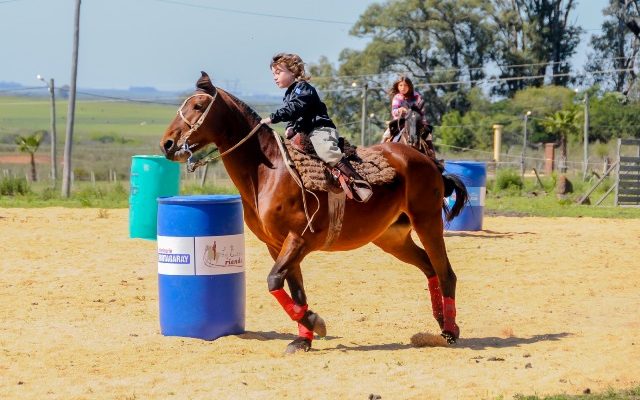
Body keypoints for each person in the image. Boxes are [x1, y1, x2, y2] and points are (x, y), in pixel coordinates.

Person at [260, 53, 372, 203]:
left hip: (319, 129)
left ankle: (358, 182)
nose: (275, 77)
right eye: (273, 74)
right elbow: (295, 115)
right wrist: (290, 126)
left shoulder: (302, 88)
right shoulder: (289, 94)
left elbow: (296, 107)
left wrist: (272, 118)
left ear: (293, 72)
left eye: (278, 72)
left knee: (326, 151)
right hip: (306, 132)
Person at [381, 76, 431, 144]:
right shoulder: (397, 97)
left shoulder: (416, 96)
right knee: (386, 134)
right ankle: (379, 150)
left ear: (409, 86)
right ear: (397, 86)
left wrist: (420, 118)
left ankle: (431, 152)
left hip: (416, 120)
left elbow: (421, 111)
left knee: (428, 136)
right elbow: (394, 111)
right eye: (400, 85)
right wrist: (399, 110)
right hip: (400, 121)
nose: (403, 88)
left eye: (405, 85)